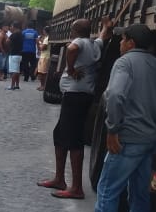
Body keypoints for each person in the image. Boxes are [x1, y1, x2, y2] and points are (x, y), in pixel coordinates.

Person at [69, 23, 156, 212]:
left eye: (122, 40)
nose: (120, 44)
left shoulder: (124, 63)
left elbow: (114, 95)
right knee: (140, 197)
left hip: (129, 136)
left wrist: (112, 128)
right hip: (150, 137)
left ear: (130, 42)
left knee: (108, 191)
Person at [37, 18, 108, 199]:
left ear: (75, 31)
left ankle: (76, 188)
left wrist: (70, 68)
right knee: (60, 134)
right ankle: (59, 178)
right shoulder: (94, 44)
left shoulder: (79, 43)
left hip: (75, 95)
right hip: (81, 95)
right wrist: (105, 27)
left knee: (73, 139)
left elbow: (71, 49)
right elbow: (102, 37)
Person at [6, 21, 24, 90]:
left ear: (14, 27)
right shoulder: (21, 34)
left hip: (14, 54)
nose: (10, 27)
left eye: (11, 26)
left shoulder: (14, 34)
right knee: (17, 70)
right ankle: (17, 85)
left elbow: (7, 41)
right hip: (19, 54)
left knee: (14, 70)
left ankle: (12, 85)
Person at [36, 27, 51, 91]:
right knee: (41, 72)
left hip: (45, 57)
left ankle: (43, 86)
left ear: (45, 31)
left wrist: (38, 42)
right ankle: (42, 85)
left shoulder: (47, 39)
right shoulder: (47, 38)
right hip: (44, 56)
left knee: (43, 72)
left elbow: (42, 48)